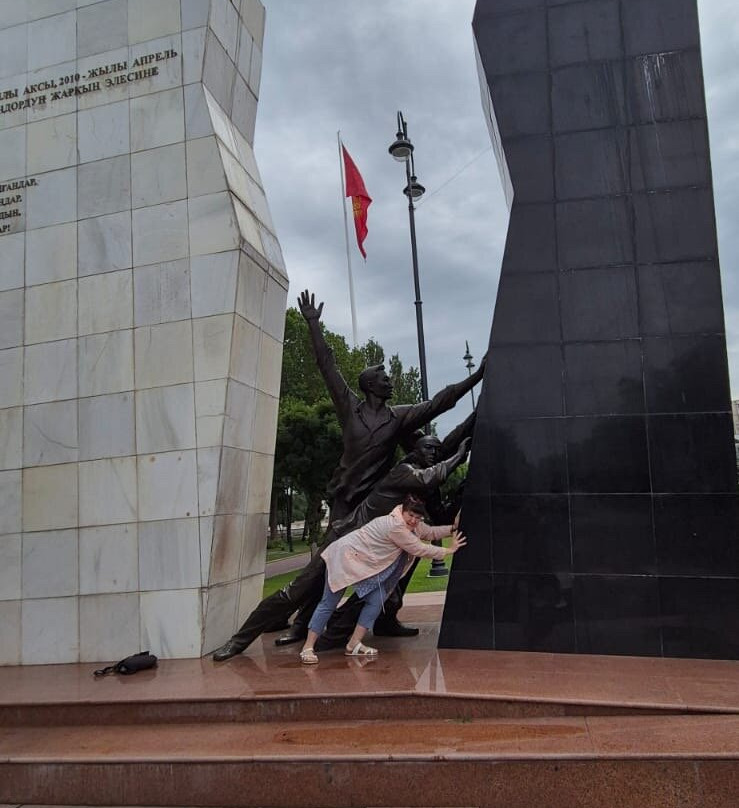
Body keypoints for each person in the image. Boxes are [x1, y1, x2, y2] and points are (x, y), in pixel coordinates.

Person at [211, 292, 484, 662]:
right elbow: (327, 366)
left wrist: (477, 377)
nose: (390, 383)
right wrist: (312, 324)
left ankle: (382, 619)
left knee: (393, 566)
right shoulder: (351, 409)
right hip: (347, 509)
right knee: (308, 582)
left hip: (374, 512)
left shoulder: (398, 418)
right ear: (371, 385)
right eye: (385, 379)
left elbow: (440, 402)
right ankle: (268, 633)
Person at [299, 495, 467, 663]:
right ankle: (308, 647)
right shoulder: (395, 526)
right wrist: (448, 551)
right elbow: (419, 548)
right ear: (403, 510)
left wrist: (453, 527)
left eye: (418, 517)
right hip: (344, 558)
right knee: (329, 603)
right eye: (411, 516)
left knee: (375, 601)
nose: (414, 520)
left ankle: (354, 644)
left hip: (367, 566)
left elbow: (430, 532)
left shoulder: (412, 525)